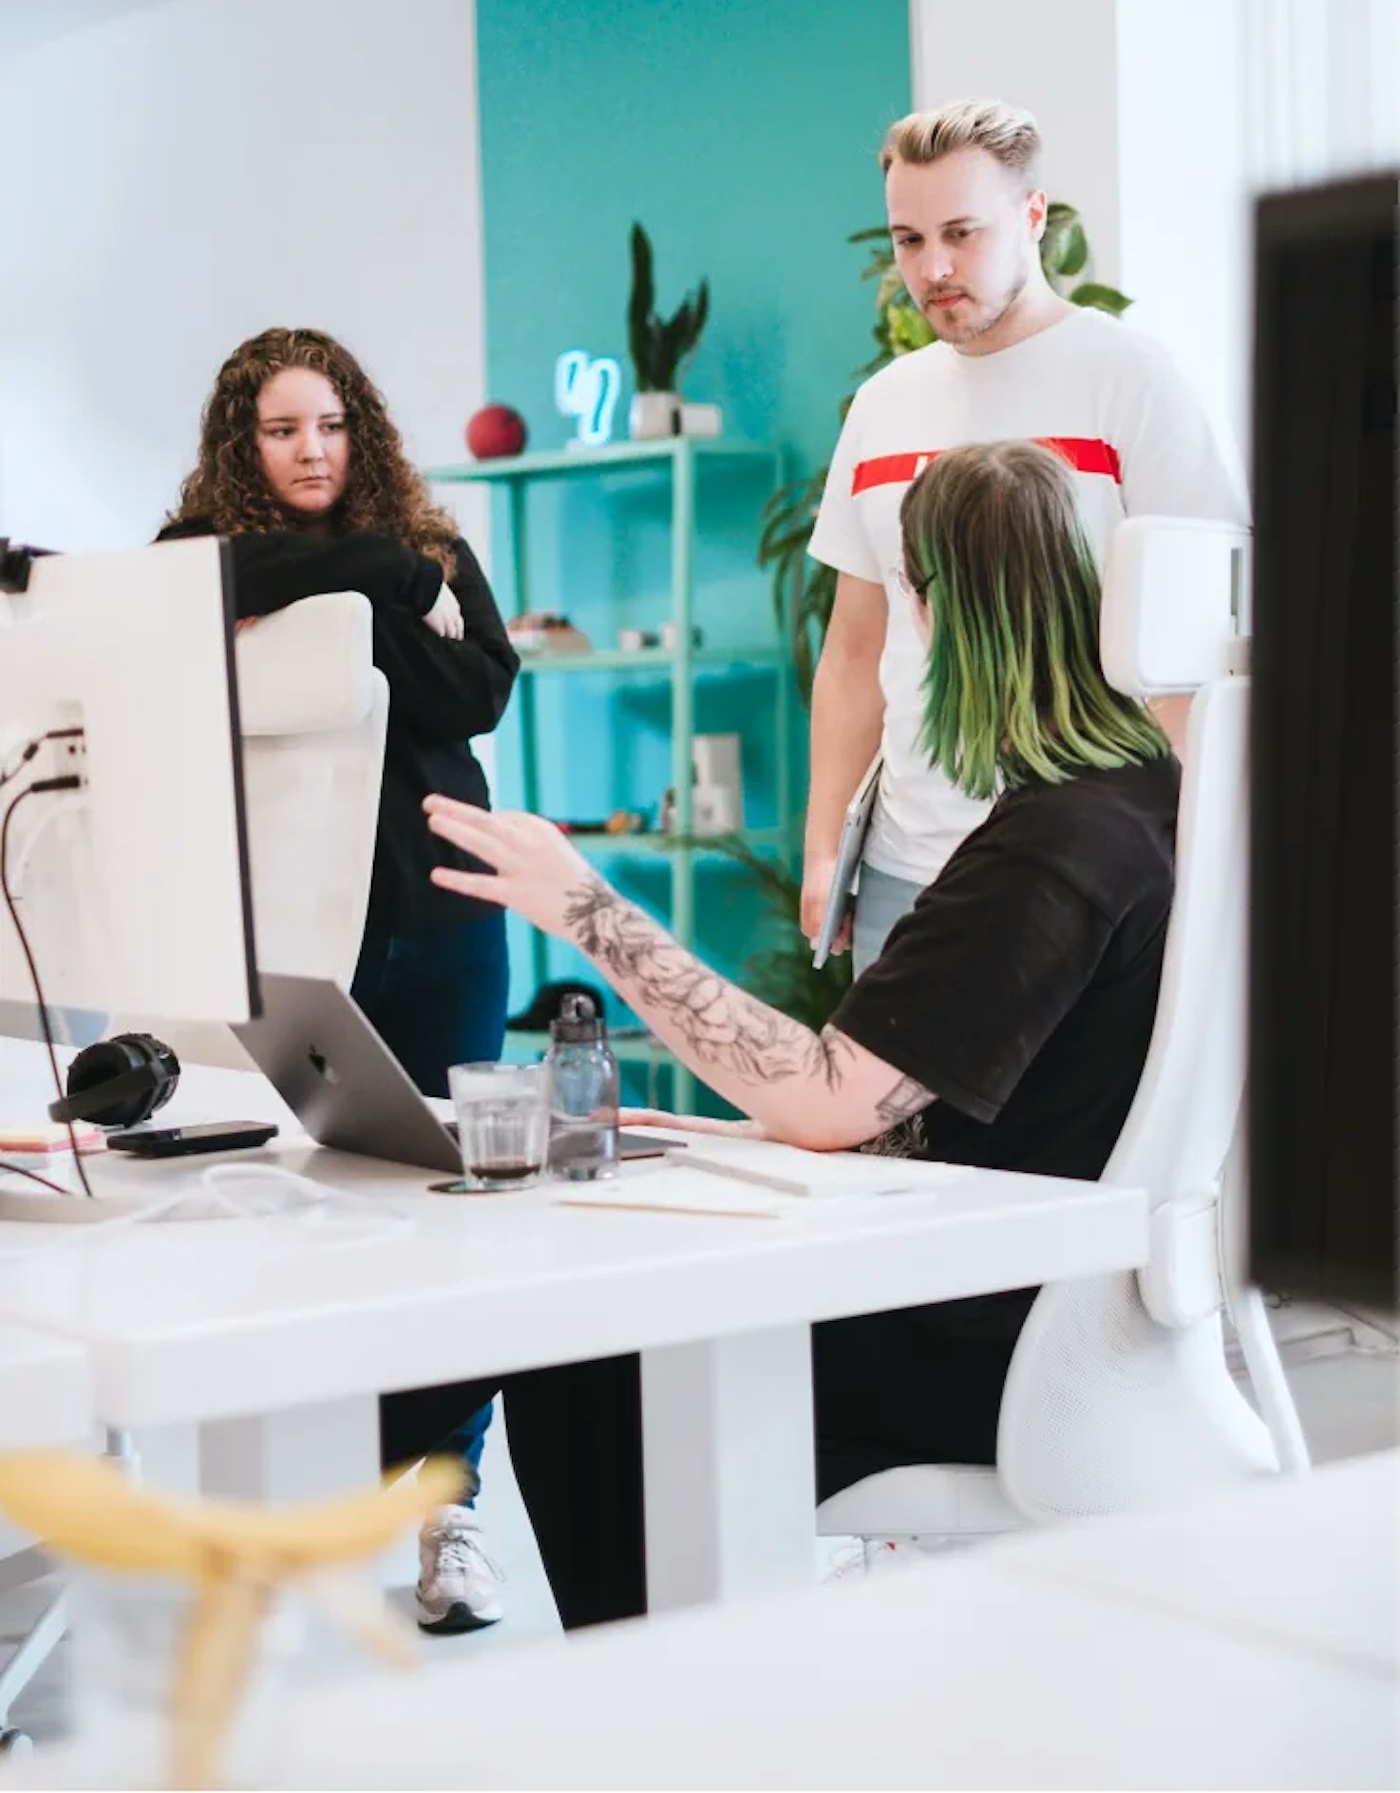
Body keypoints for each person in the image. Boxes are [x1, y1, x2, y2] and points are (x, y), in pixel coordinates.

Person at [388, 438, 1180, 1629]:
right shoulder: (1149, 802)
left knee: (581, 1348)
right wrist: (715, 1136)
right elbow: (937, 1099)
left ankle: (682, 1705)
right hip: (1051, 1299)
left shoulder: (1054, 846)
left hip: (981, 1334)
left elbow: (822, 1095)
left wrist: (585, 908)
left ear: (933, 613)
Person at [160, 327, 518, 1634]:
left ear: (360, 430)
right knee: (267, 1206)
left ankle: (448, 1510)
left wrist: (334, 609)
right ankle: (278, 1511)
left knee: (451, 1206)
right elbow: (182, 608)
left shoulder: (439, 547)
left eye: (331, 426)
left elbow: (475, 693)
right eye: (282, 430)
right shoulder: (196, 559)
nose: (312, 451)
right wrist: (373, 582)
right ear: (242, 446)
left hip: (444, 909)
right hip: (284, 930)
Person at [804, 97, 1246, 973]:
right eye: (908, 240)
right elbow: (855, 649)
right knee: (889, 1115)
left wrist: (1213, 854)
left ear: (1032, 215)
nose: (933, 267)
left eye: (961, 233)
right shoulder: (883, 406)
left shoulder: (1132, 380)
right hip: (907, 866)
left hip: (1083, 868)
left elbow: (1206, 650)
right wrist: (825, 849)